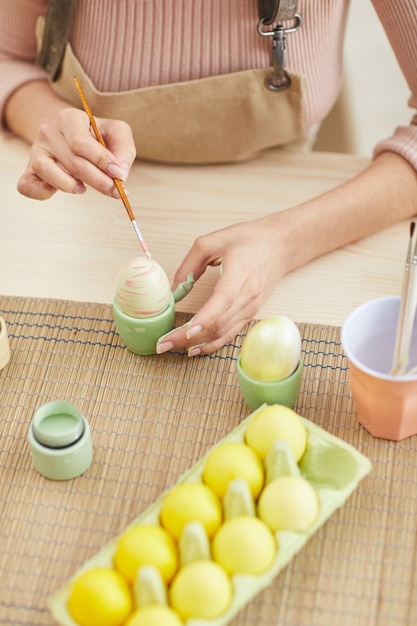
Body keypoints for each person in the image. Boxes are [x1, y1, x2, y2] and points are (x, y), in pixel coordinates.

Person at [1, 1, 417, 357]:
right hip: (83, 218)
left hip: (290, 188)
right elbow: (7, 60)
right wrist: (48, 123)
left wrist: (285, 241)